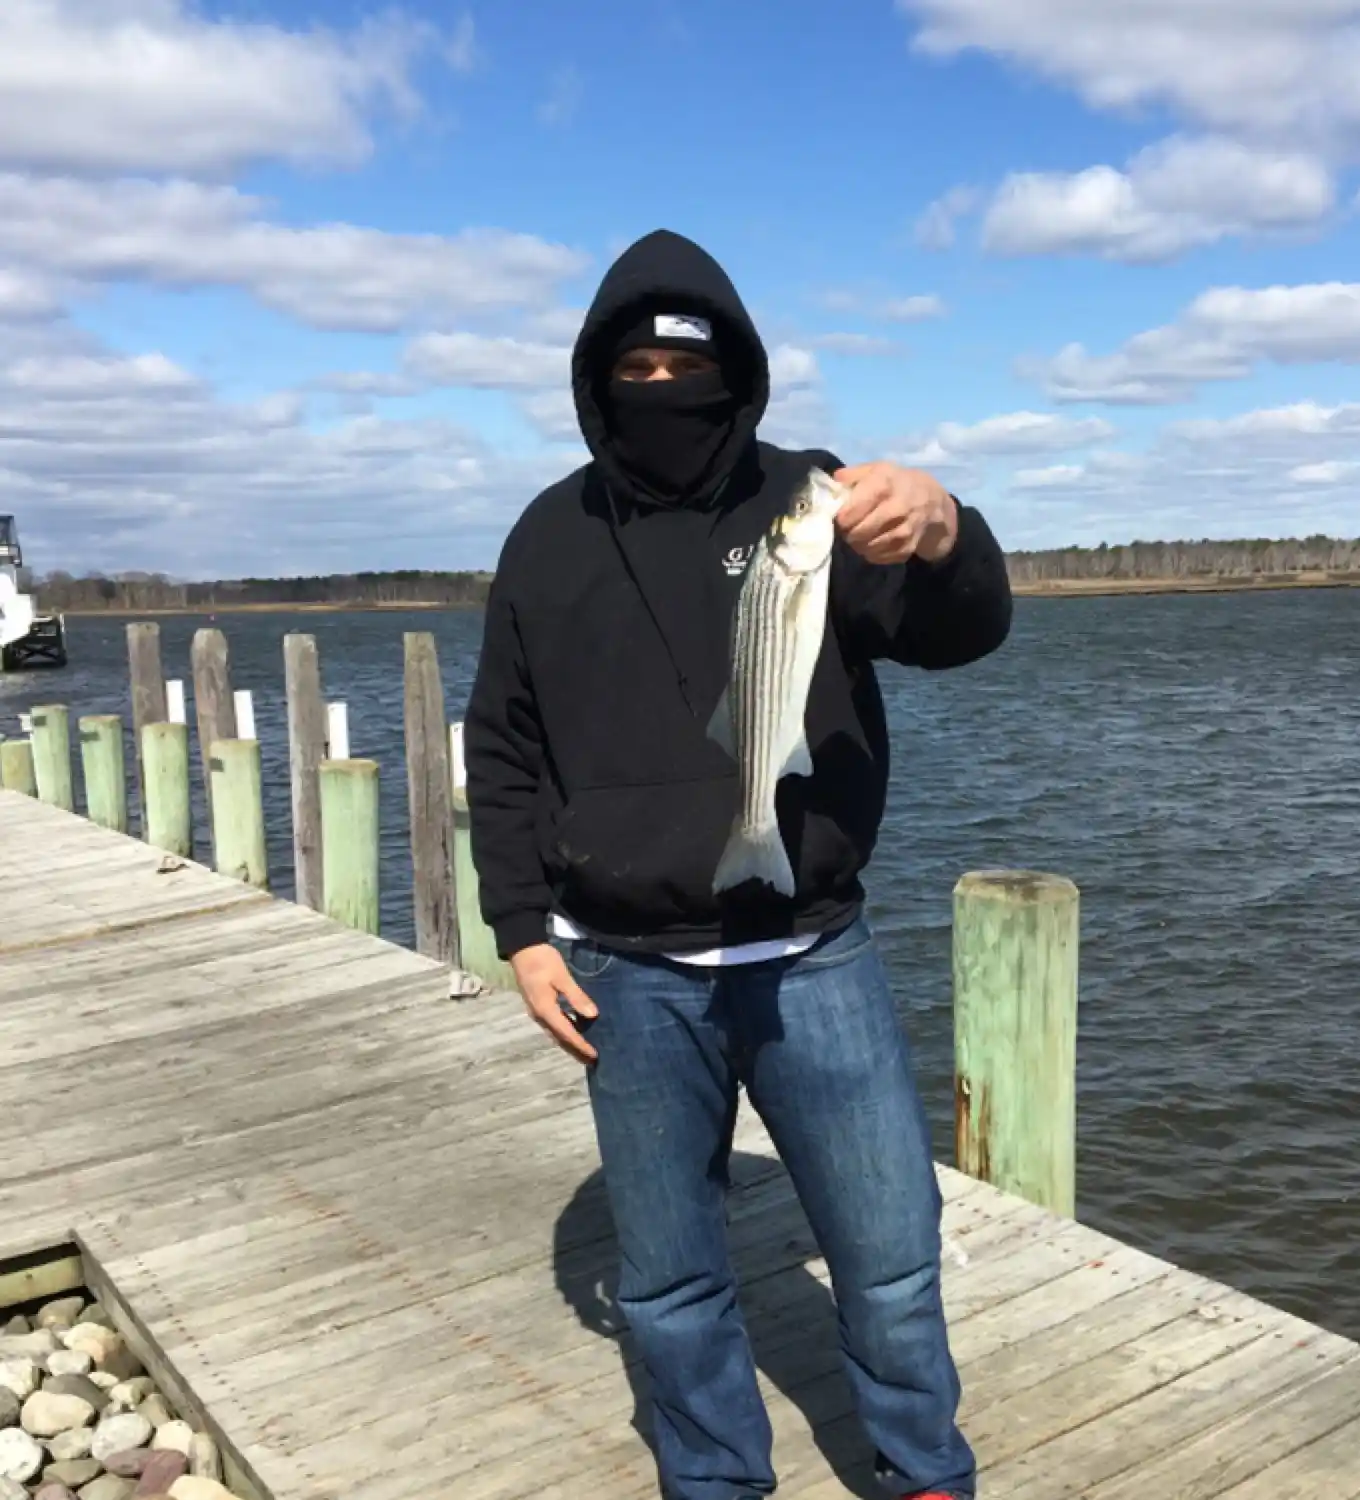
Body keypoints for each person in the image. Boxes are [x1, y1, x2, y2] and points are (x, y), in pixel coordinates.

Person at [464, 229, 1013, 1500]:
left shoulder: (812, 502)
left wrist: (943, 532)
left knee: (889, 1251)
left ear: (739, 370)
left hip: (818, 953)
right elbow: (502, 745)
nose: (663, 388)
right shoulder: (545, 537)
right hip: (626, 972)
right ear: (597, 378)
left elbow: (962, 632)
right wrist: (520, 930)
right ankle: (714, 1484)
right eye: (636, 366)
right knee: (665, 1281)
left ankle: (923, 1471)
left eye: (686, 364)